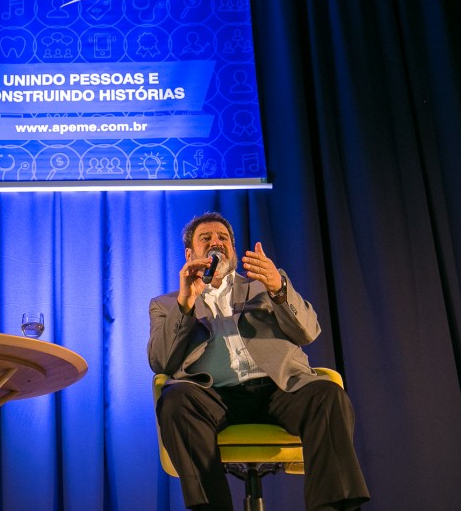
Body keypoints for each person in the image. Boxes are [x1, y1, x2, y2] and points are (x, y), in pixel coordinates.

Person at [148, 212, 369, 511]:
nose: (217, 242)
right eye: (207, 239)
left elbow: (308, 332)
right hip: (213, 398)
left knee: (327, 395)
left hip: (278, 390)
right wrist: (186, 304)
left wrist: (279, 288)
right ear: (190, 254)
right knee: (174, 400)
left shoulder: (265, 285)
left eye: (223, 238)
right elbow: (161, 361)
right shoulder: (166, 304)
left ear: (234, 251)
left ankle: (334, 507)